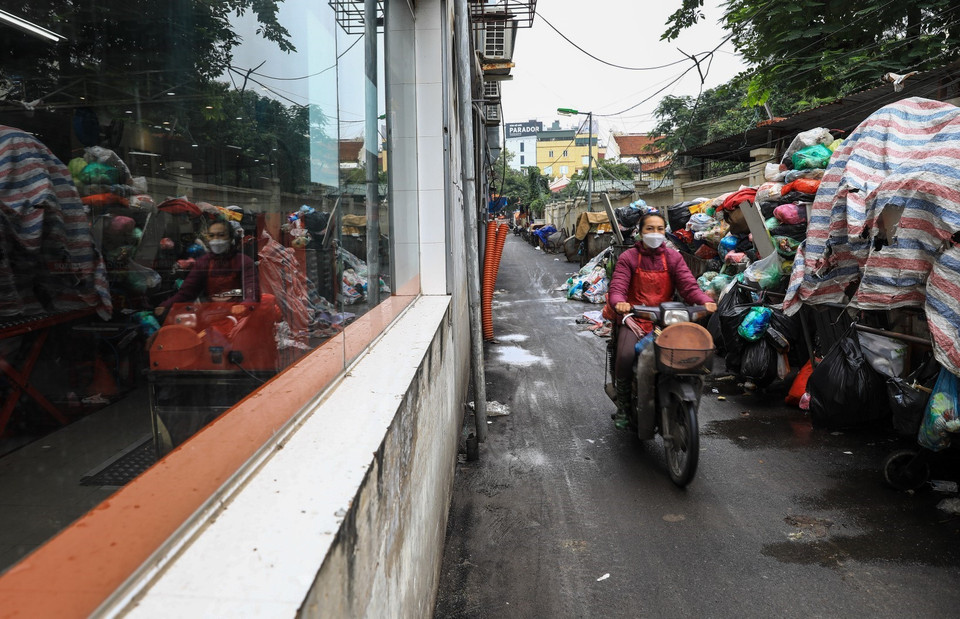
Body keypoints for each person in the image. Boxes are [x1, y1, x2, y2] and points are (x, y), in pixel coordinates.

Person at [605, 210, 717, 429]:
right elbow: (618, 287)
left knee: (691, 354)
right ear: (640, 232)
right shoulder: (628, 258)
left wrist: (705, 301)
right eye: (650, 229)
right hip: (636, 318)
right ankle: (624, 407)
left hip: (667, 319)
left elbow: (689, 287)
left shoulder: (674, 257)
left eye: (659, 229)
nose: (655, 233)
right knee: (626, 356)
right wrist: (620, 302)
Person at [156, 219, 258, 315]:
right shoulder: (203, 263)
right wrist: (166, 306)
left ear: (231, 237)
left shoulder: (244, 262)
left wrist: (245, 304)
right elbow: (187, 292)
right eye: (212, 235)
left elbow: (251, 290)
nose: (216, 239)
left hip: (238, 317)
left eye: (221, 235)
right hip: (211, 316)